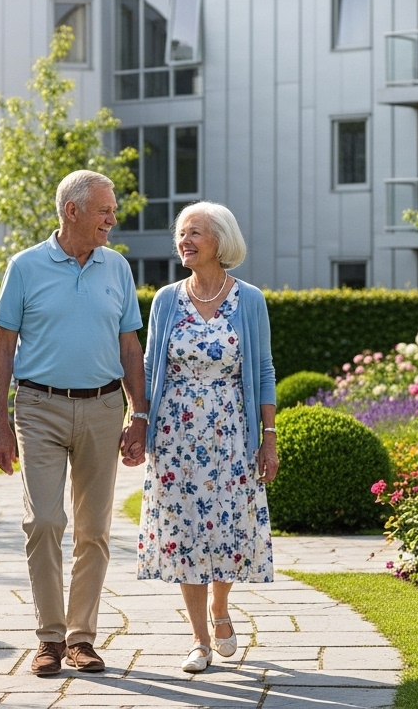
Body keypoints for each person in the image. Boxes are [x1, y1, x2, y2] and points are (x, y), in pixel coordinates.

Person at [0, 170, 149, 677]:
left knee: (94, 531)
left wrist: (139, 414)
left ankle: (82, 639)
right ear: (72, 210)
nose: (113, 218)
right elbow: (3, 347)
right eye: (105, 209)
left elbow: (129, 348)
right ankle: (49, 639)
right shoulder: (26, 266)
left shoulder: (117, 267)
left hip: (104, 409)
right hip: (39, 407)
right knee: (45, 522)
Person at [138, 201, 279, 674]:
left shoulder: (249, 299)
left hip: (231, 433)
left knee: (228, 530)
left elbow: (262, 369)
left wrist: (269, 436)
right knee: (183, 535)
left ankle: (221, 606)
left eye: (195, 232)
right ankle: (199, 638)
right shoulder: (166, 300)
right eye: (181, 232)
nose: (185, 240)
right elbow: (148, 366)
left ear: (220, 240)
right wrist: (138, 420)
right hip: (175, 434)